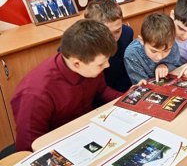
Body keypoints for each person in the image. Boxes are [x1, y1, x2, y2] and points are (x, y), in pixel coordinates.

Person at [11, 19, 123, 151]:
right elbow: (28, 148)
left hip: (89, 130)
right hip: (60, 145)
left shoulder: (89, 66)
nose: (107, 65)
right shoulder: (35, 93)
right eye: (101, 64)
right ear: (77, 63)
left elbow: (102, 91)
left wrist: (129, 99)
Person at [84, 0, 134, 92]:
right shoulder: (79, 46)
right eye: (105, 32)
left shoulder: (127, 33)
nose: (112, 38)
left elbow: (126, 68)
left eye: (117, 31)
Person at [124, 13, 180, 84]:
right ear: (142, 41)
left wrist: (167, 66)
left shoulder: (170, 43)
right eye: (154, 51)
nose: (160, 57)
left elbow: (177, 66)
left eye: (166, 51)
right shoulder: (132, 54)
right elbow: (141, 84)